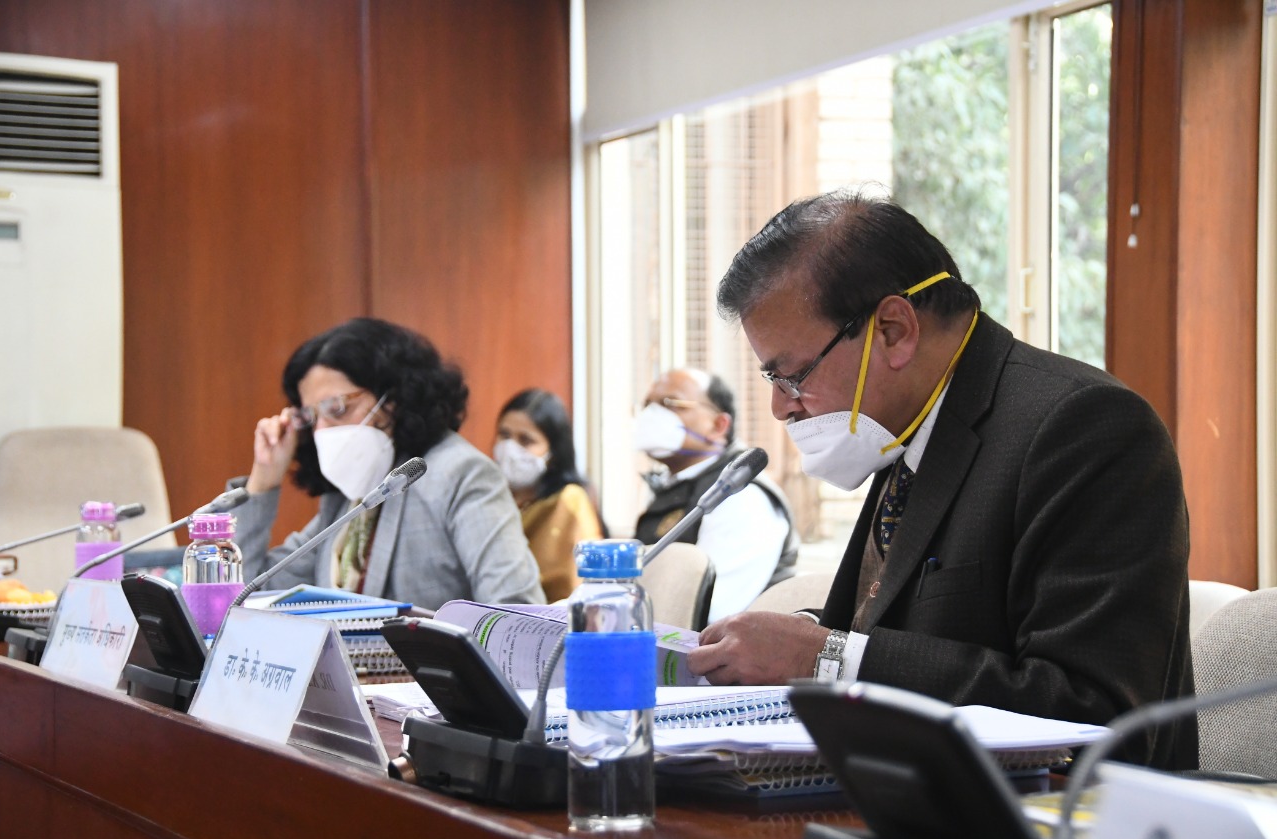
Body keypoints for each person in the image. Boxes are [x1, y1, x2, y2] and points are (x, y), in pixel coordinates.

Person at [686, 189, 1196, 769]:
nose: (782, 407)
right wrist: (801, 641)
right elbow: (906, 632)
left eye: (793, 376)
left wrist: (826, 657)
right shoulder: (906, 428)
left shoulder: (1085, 426)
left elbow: (1094, 714)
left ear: (893, 331)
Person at [234, 317, 545, 610]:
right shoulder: (345, 501)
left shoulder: (461, 474)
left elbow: (515, 610)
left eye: (337, 408)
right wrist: (263, 480)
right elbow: (246, 593)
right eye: (311, 417)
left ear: (392, 400)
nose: (322, 431)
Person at [633, 368, 798, 623]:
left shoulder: (741, 497)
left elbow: (704, 612)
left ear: (719, 425)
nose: (651, 415)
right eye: (647, 405)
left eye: (671, 403)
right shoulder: (671, 486)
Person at [493, 388, 604, 601]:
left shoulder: (569, 501)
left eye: (526, 440)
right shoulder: (490, 497)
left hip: (551, 616)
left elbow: (584, 585)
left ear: (553, 451)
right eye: (504, 435)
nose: (510, 449)